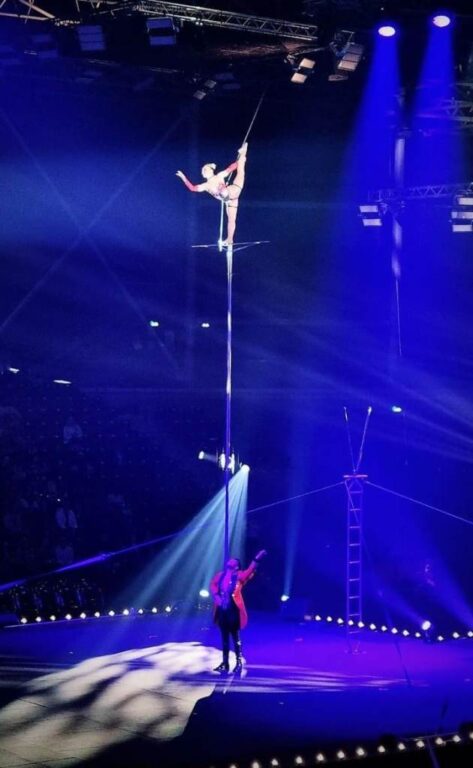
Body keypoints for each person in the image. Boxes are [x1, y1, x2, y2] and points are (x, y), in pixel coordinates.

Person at [176, 142, 248, 246]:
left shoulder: (219, 176)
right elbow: (192, 188)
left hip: (234, 189)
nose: (204, 171)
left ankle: (244, 151)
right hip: (231, 200)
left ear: (211, 170)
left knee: (241, 170)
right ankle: (230, 239)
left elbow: (232, 167)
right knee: (231, 220)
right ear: (203, 175)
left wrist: (239, 158)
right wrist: (183, 177)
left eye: (206, 169)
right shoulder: (205, 186)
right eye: (203, 171)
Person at [210, 548, 267, 673]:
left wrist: (258, 557)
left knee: (235, 637)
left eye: (234, 561)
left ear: (236, 566)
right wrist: (217, 597)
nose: (231, 560)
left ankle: (238, 663)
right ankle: (225, 663)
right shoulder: (220, 575)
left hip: (233, 609)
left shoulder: (239, 575)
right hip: (222, 608)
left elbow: (251, 569)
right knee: (224, 637)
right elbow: (213, 585)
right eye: (230, 560)